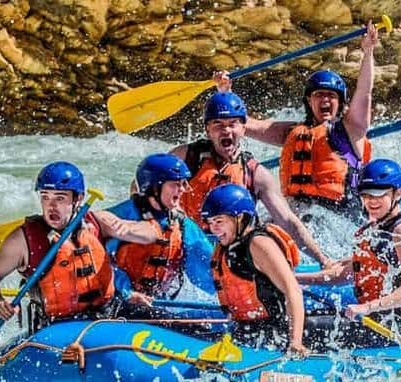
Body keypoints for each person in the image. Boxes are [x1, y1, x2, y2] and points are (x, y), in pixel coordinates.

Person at [213, 22, 377, 213]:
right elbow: (244, 125)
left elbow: (364, 92)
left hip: (337, 214)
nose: (325, 99)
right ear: (309, 100)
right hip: (295, 211)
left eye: (331, 96)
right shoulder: (291, 132)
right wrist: (225, 91)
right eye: (319, 95)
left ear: (340, 103)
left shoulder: (351, 129)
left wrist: (368, 52)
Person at [0, 162, 159, 332]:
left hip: (109, 313)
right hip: (58, 328)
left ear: (78, 199)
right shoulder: (23, 240)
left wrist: (127, 229)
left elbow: (150, 233)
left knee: (172, 323)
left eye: (60, 198)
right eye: (45, 197)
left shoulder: (97, 222)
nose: (51, 206)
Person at [296, 159, 401, 350]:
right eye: (366, 195)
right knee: (299, 316)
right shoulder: (376, 228)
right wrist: (296, 279)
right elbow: (348, 273)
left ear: (398, 193)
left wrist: (367, 307)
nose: (371, 202)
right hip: (377, 317)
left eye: (379, 195)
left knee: (304, 327)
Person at [170, 91, 333, 268]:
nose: (226, 130)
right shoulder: (185, 157)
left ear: (243, 129)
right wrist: (172, 212)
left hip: (231, 253)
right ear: (207, 130)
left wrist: (322, 259)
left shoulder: (257, 174)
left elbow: (287, 221)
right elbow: (140, 187)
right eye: (218, 124)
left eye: (233, 124)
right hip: (188, 244)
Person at [201, 184, 307, 354]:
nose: (214, 229)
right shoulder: (227, 246)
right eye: (211, 222)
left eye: (219, 221)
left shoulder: (258, 244)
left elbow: (292, 290)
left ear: (240, 218)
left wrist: (295, 341)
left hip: (276, 333)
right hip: (249, 330)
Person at [108, 153, 215, 318]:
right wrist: (126, 292)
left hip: (153, 302)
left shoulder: (182, 225)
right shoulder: (121, 216)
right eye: (175, 184)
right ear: (154, 188)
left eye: (182, 184)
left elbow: (208, 270)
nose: (182, 190)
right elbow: (98, 261)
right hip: (116, 302)